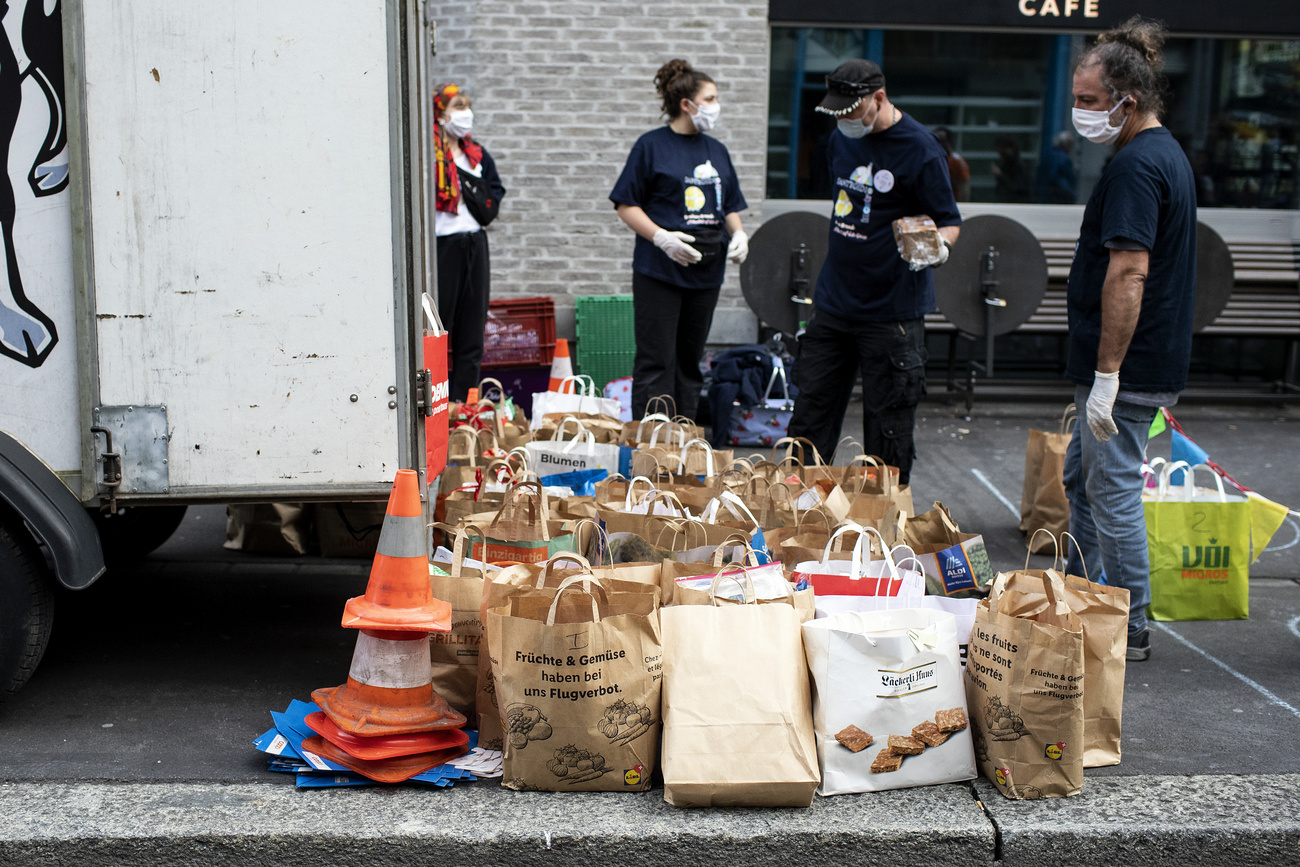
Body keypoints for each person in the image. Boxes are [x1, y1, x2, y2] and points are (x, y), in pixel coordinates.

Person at [1062, 16, 1198, 662]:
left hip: (1131, 363)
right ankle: (1083, 590)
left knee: (1112, 488)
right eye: (1077, 98)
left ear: (1128, 101)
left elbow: (1129, 269)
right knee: (1079, 475)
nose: (1079, 112)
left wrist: (1108, 376)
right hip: (1136, 357)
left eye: (1089, 102)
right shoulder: (1157, 151)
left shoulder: (1137, 168)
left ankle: (1127, 622)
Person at [786, 60, 960, 485]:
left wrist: (939, 250)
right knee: (809, 418)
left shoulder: (922, 149)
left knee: (888, 432)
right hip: (834, 302)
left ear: (878, 99)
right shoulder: (840, 141)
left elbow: (948, 219)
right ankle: (793, 523)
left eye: (850, 110)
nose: (843, 120)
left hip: (892, 312)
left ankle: (880, 529)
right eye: (837, 112)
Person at [610, 59, 749, 420]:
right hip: (660, 272)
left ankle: (684, 442)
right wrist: (661, 238)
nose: (716, 106)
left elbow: (729, 203)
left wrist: (739, 234)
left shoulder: (716, 150)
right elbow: (626, 205)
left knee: (690, 362)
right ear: (687, 104)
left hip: (706, 273)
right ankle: (650, 446)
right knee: (656, 361)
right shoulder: (651, 146)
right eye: (711, 98)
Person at [433, 83, 506, 402]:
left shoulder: (476, 154)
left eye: (467, 106)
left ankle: (465, 403)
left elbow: (495, 191)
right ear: (440, 114)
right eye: (457, 107)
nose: (465, 114)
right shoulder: (430, 154)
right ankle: (437, 402)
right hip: (441, 244)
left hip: (475, 243)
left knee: (472, 325)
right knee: (440, 326)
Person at [1036, 130, 1078, 204]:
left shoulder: (1050, 155)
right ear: (1063, 143)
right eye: (1069, 143)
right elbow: (1054, 176)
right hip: (1057, 196)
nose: (1071, 147)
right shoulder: (1062, 158)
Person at [991, 133, 1031, 203]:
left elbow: (1018, 189)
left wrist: (1001, 175)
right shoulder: (1005, 165)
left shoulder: (1019, 167)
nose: (1001, 152)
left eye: (1004, 149)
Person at [934, 127, 971, 202]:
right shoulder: (931, 160)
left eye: (942, 141)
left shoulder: (956, 161)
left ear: (949, 142)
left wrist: (963, 206)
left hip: (952, 203)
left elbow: (964, 186)